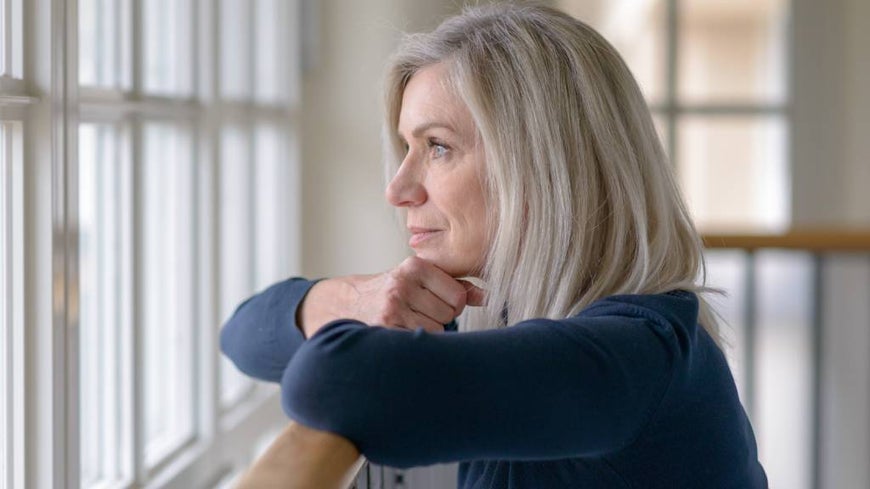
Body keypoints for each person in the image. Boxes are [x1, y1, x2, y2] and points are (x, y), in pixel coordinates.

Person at [221, 3, 768, 488]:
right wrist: (356, 302)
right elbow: (245, 334)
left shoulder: (631, 358)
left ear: (543, 168)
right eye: (407, 147)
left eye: (437, 147)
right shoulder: (513, 315)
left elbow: (334, 381)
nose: (398, 189)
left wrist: (360, 319)